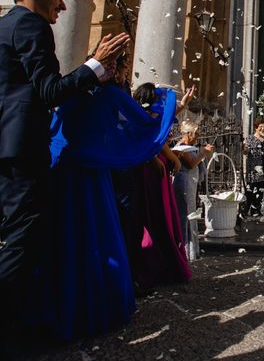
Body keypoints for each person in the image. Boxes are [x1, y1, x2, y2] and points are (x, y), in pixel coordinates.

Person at [0, 0, 128, 336]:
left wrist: (96, 70)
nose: (64, 6)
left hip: (8, 145)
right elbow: (49, 91)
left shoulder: (4, 26)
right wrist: (94, 63)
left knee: (16, 231)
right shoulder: (31, 25)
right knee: (24, 236)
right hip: (23, 147)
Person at [23, 81, 176, 341]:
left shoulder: (72, 90)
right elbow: (140, 127)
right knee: (100, 233)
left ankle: (64, 304)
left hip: (65, 168)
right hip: (91, 173)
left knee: (69, 238)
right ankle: (94, 301)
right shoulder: (110, 95)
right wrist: (169, 98)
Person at [130, 83, 192, 289]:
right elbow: (154, 138)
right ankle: (157, 264)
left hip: (152, 167)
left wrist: (182, 105)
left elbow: (161, 124)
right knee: (156, 215)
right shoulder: (145, 116)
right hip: (153, 169)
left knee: (155, 214)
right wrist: (172, 157)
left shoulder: (137, 112)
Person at [172, 120, 214, 262]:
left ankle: (191, 249)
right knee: (185, 215)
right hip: (183, 183)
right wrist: (203, 153)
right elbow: (190, 164)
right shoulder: (182, 147)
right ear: (189, 133)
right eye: (196, 134)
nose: (198, 136)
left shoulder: (190, 146)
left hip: (190, 183)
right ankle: (184, 250)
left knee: (190, 213)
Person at [241, 118, 264, 218]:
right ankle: (244, 210)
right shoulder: (250, 139)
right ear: (256, 128)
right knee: (250, 189)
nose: (262, 128)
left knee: (260, 189)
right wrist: (244, 148)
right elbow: (244, 152)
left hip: (262, 167)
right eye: (260, 127)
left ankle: (256, 210)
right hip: (253, 167)